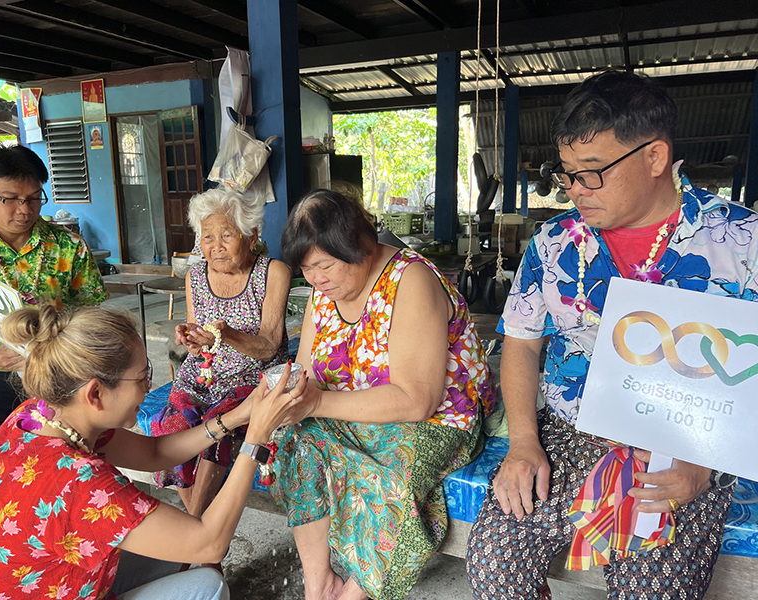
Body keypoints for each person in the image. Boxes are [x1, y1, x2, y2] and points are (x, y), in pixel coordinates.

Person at [466, 70, 758, 599]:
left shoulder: (741, 244)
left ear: (655, 156)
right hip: (566, 434)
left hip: (682, 449)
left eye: (592, 172)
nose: (575, 189)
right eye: (567, 173)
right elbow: (522, 343)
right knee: (494, 567)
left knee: (650, 590)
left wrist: (705, 466)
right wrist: (524, 443)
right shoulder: (554, 242)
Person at [0, 304, 302, 599]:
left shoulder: (42, 414)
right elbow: (210, 543)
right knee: (207, 584)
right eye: (141, 378)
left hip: (32, 580)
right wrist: (256, 437)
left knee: (174, 549)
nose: (149, 388)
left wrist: (238, 416)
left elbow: (153, 453)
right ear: (95, 394)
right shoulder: (79, 484)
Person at [270, 189, 496, 600]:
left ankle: (354, 594)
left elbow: (417, 400)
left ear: (361, 244)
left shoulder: (411, 280)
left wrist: (317, 403)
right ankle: (319, 584)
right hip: (353, 409)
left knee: (387, 475)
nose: (316, 279)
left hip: (438, 418)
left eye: (325, 265)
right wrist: (287, 397)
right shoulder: (325, 291)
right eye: (307, 268)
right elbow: (307, 372)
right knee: (294, 443)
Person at [0, 143, 107, 495]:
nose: (24, 210)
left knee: (61, 463)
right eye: (10, 199)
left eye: (34, 198)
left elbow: (90, 316)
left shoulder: (69, 246)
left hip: (55, 373)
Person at [151, 186, 290, 519]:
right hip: (203, 373)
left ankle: (195, 526)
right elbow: (199, 337)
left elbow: (269, 345)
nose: (215, 246)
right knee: (171, 424)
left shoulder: (273, 272)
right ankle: (201, 529)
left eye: (226, 235)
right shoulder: (196, 276)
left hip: (252, 376)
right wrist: (192, 339)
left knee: (218, 428)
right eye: (207, 237)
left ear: (251, 235)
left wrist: (227, 334)